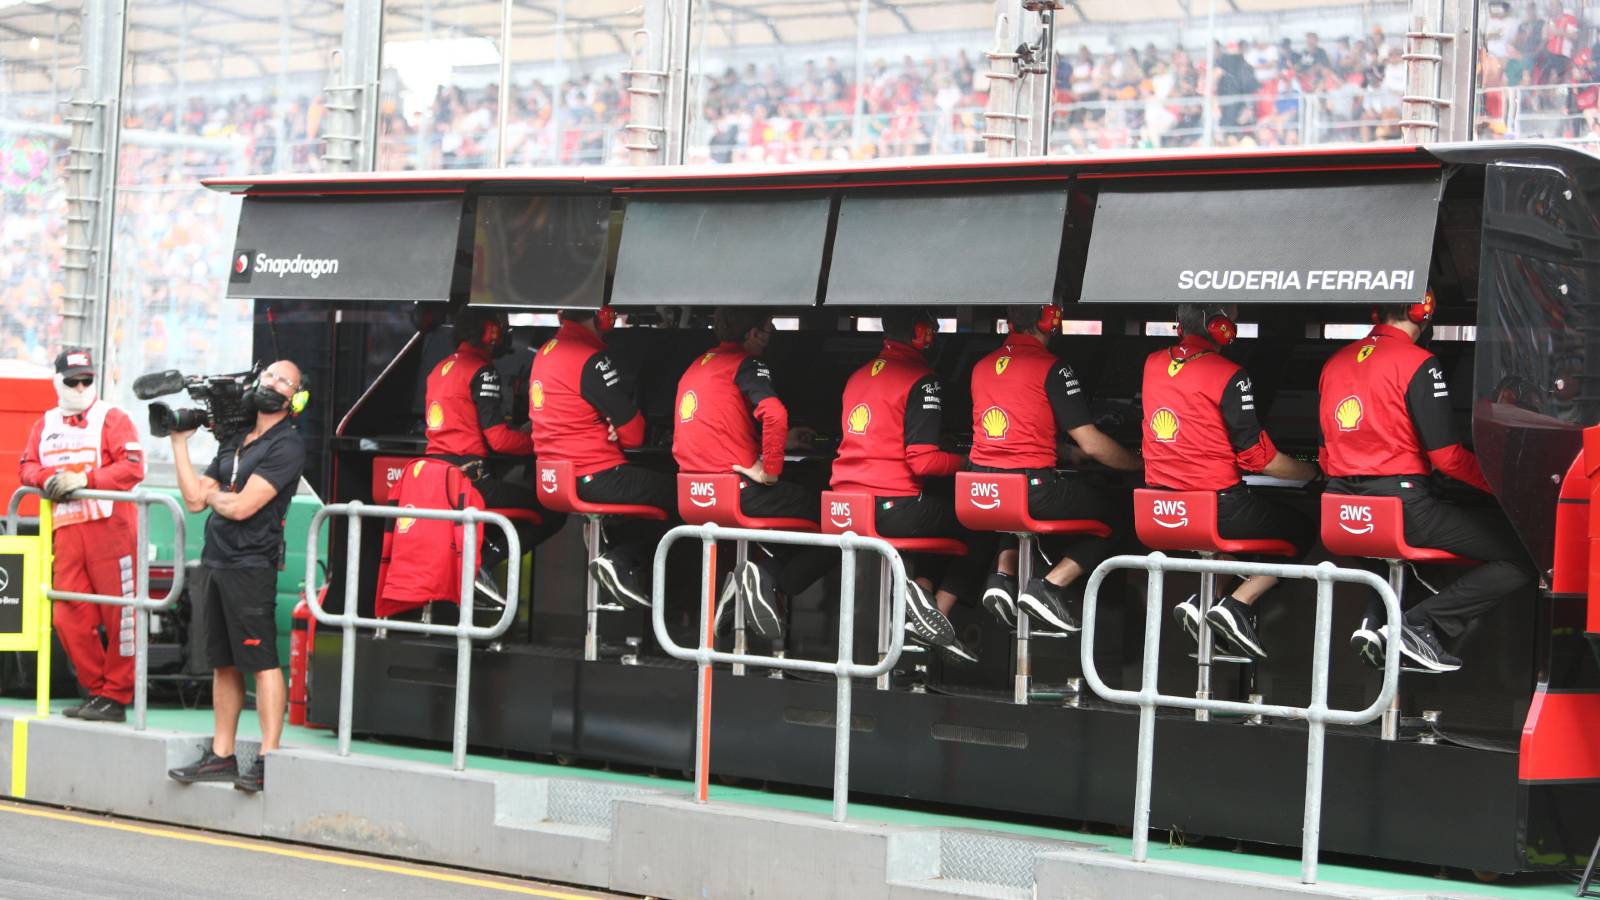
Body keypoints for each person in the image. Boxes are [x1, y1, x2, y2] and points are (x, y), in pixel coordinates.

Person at [1317, 295, 1536, 672]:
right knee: (1522, 555)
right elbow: (1448, 458)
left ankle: (1380, 622)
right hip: (1401, 511)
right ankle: (1421, 624)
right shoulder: (1419, 363)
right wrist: (1505, 488)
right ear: (1423, 312)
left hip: (1339, 513)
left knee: (1408, 563)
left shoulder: (1333, 362)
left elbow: (1323, 456)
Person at [1140, 305, 1319, 660]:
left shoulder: (1152, 363)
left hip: (1161, 510)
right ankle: (1238, 603)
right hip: (1217, 507)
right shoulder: (1230, 374)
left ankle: (1202, 601)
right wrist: (1312, 470)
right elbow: (1260, 459)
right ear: (1220, 328)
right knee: (1300, 528)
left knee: (1243, 527)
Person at [167, 360, 307, 792]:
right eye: (268, 376)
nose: (272, 383)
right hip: (216, 561)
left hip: (252, 566)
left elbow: (245, 506)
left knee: (262, 662)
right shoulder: (234, 439)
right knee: (223, 663)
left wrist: (218, 497)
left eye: (284, 381)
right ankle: (222, 756)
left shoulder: (288, 446)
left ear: (295, 398)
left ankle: (268, 758)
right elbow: (193, 499)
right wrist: (179, 444)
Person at [831, 309, 993, 662]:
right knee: (981, 524)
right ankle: (937, 616)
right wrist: (969, 461)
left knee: (939, 517)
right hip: (892, 508)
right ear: (922, 335)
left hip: (844, 506)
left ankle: (920, 598)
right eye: (933, 330)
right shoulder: (923, 379)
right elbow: (923, 461)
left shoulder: (857, 376)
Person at [969, 304, 1142, 633]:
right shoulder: (1051, 367)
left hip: (980, 491)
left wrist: (1063, 451)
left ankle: (1003, 578)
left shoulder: (980, 366)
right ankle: (1049, 587)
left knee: (1010, 504)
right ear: (1049, 321)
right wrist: (1137, 463)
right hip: (1032, 490)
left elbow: (1011, 434)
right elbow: (1092, 442)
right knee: (1118, 512)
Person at [672, 308, 834, 645]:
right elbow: (774, 413)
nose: (771, 333)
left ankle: (749, 583)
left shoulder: (695, 365)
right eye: (768, 327)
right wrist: (770, 470)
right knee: (835, 521)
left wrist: (780, 443)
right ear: (753, 335)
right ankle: (763, 577)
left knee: (793, 526)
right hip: (739, 493)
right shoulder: (746, 364)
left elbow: (717, 427)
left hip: (695, 494)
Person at [17, 347, 145, 722]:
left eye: (86, 379)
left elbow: (133, 467)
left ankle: (116, 696)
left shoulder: (113, 417)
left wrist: (86, 479)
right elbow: (26, 466)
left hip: (113, 529)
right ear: (58, 381)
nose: (80, 385)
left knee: (120, 615)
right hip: (68, 529)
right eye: (72, 380)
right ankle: (96, 691)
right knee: (67, 614)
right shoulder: (45, 423)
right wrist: (47, 479)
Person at [529, 307, 672, 608]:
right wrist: (615, 426)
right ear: (600, 317)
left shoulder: (545, 351)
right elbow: (634, 433)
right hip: (595, 475)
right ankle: (619, 559)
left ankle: (612, 556)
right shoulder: (589, 358)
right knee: (683, 498)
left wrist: (606, 422)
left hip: (554, 478)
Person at [424, 306, 566, 592]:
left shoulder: (439, 369)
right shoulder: (482, 371)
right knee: (552, 510)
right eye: (501, 327)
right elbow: (499, 440)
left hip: (435, 482)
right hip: (469, 484)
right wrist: (543, 443)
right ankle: (483, 565)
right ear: (490, 331)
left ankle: (469, 570)